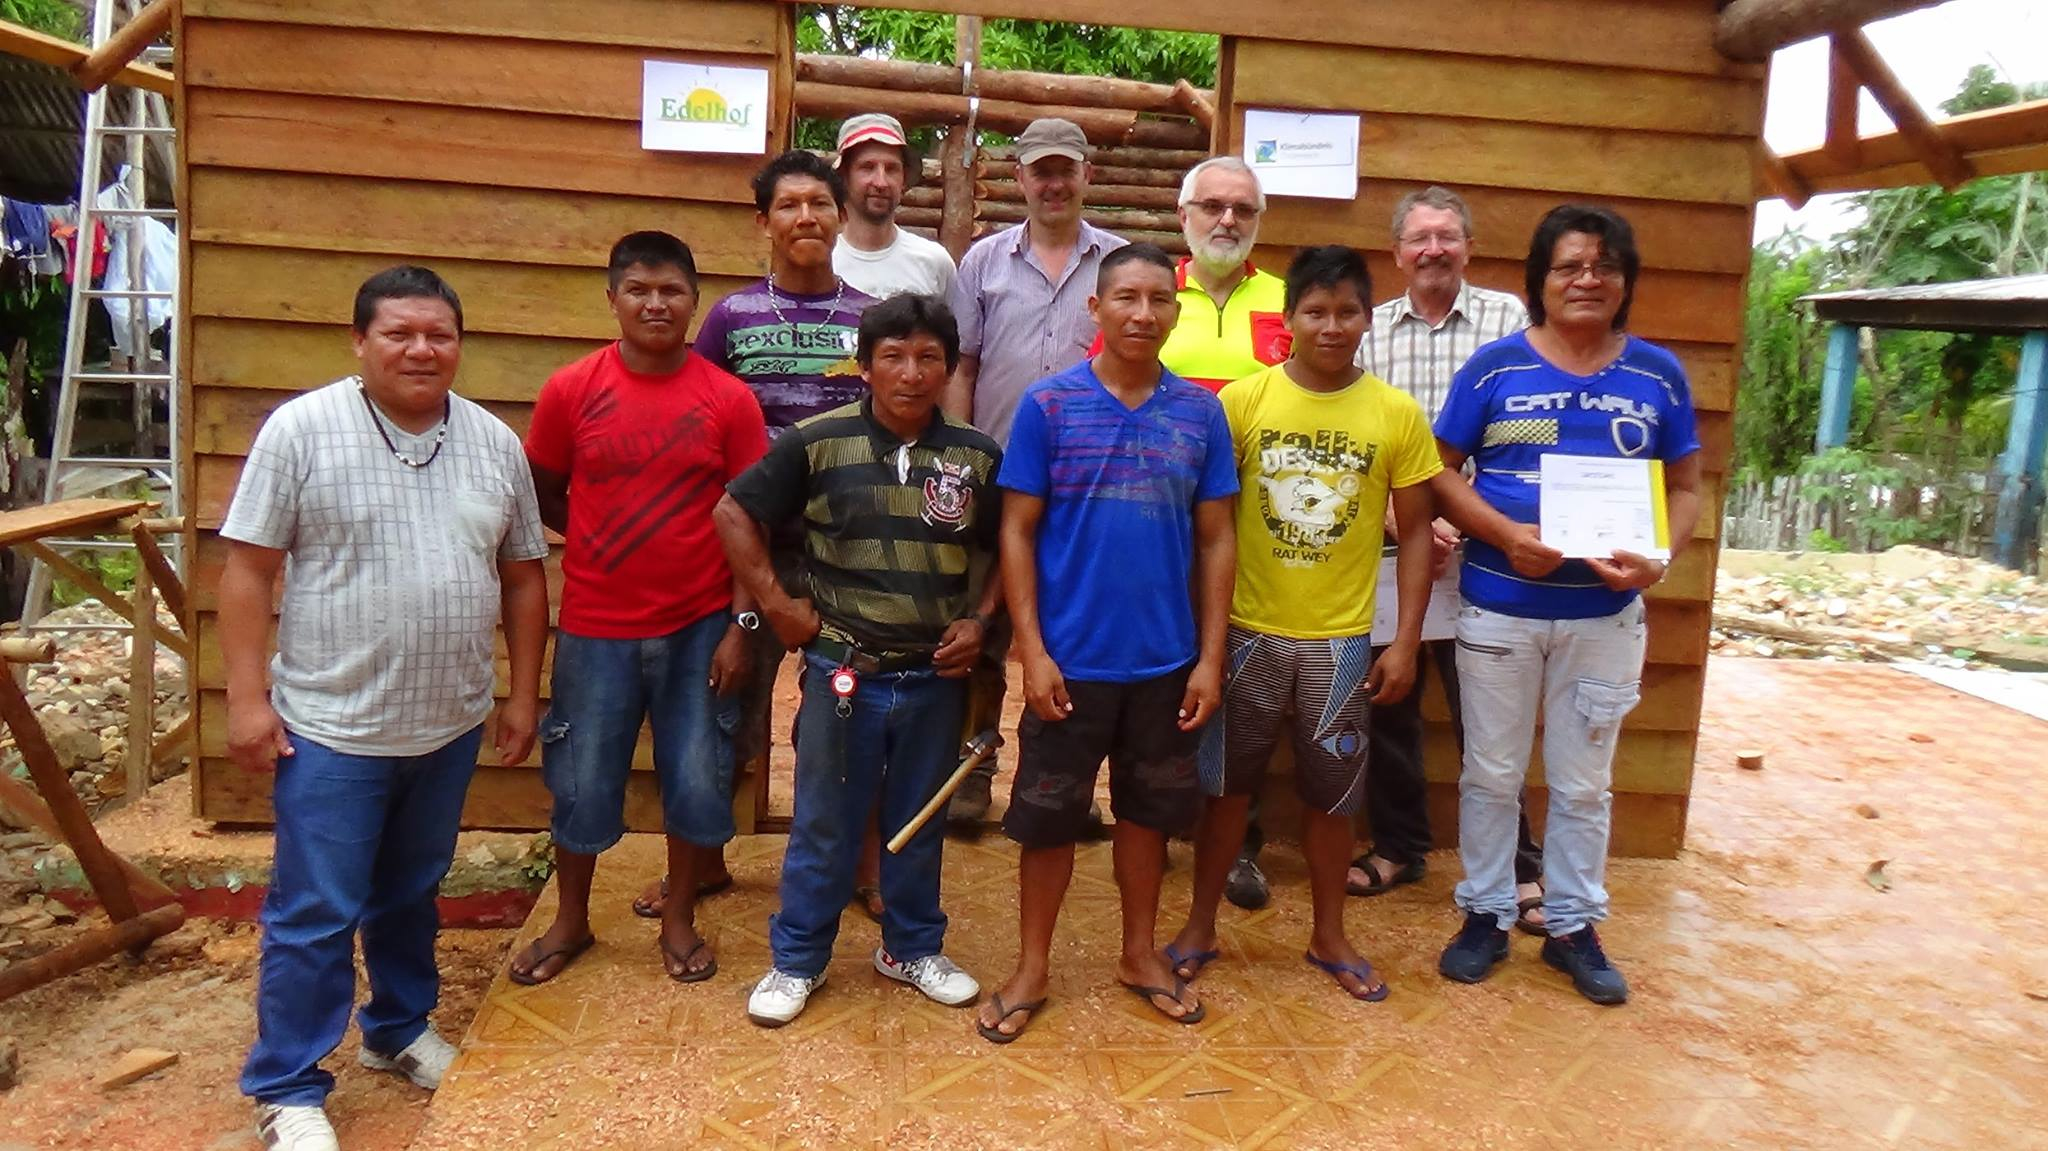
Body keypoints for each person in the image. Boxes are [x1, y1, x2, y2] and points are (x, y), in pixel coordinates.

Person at [223, 266, 549, 1151]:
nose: (421, 349)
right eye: (400, 333)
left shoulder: (491, 441)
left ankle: (399, 1030)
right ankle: (288, 1083)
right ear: (359, 341)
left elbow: (523, 578)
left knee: (411, 889)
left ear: (459, 345)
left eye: (438, 334)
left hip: (445, 721)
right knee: (317, 909)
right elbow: (249, 569)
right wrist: (247, 701)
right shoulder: (301, 429)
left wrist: (520, 693)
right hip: (332, 726)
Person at [1432, 204, 1702, 1005]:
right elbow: (1437, 471)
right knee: (1491, 771)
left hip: (1605, 619)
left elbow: (1684, 487)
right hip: (1498, 607)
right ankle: (1484, 912)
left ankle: (1574, 925)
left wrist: (1658, 557)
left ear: (1626, 282)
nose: (1588, 279)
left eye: (1605, 266)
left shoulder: (1657, 375)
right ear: (1539, 281)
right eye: (1570, 266)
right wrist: (1503, 533)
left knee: (1585, 783)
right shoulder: (1493, 368)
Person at [975, 244, 1237, 1043]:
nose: (1142, 313)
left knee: (1148, 816)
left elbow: (1219, 539)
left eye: (1160, 299)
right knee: (1047, 818)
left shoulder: (1200, 413)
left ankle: (1137, 953)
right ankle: (1032, 966)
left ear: (1176, 312)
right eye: (1126, 296)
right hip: (1071, 663)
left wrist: (1211, 657)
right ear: (1096, 307)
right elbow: (1016, 532)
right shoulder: (1049, 406)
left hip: (1164, 662)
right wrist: (1033, 649)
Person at [1165, 246, 1439, 1002]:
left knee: (1334, 799)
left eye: (1347, 311)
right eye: (1314, 311)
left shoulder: (1394, 413)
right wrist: (1204, 644)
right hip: (1246, 633)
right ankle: (1198, 926)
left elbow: (1415, 531)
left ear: (1367, 318)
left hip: (1342, 643)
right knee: (1224, 793)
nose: (1330, 325)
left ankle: (1329, 935)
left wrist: (1405, 640)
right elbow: (1210, 528)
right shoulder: (1242, 404)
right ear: (1286, 321)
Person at [723, 294, 1004, 1026]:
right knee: (826, 820)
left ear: (947, 367)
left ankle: (909, 948)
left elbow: (1009, 546)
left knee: (918, 819)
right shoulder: (818, 440)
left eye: (928, 357)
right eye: (893, 356)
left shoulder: (974, 454)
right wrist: (778, 606)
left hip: (934, 677)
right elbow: (733, 512)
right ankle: (798, 959)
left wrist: (980, 618)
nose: (911, 373)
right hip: (844, 671)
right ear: (865, 365)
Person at [510, 232, 768, 987]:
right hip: (596, 626)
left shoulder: (727, 397)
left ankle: (682, 915)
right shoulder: (571, 389)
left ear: (695, 300)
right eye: (639, 289)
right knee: (583, 780)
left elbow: (748, 518)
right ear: (613, 297)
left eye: (672, 291)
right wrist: (601, 537)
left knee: (696, 773)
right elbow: (547, 485)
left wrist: (740, 623)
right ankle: (571, 920)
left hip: (699, 628)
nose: (656, 303)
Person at [633, 151, 880, 922]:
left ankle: (865, 869)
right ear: (764, 221)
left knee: (851, 710)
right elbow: (697, 406)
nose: (806, 218)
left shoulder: (872, 319)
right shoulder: (732, 318)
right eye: (789, 205)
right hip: (744, 551)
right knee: (725, 704)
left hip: (845, 549)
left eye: (820, 204)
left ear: (842, 217)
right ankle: (703, 862)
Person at [1351, 186, 1550, 932]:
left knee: (1488, 717)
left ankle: (1517, 867)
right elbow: (1363, 441)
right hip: (1392, 547)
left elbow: (1529, 431)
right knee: (1390, 704)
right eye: (1418, 238)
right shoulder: (1368, 333)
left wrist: (1463, 521)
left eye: (1446, 236)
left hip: (1490, 551)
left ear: (1468, 245)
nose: (1433, 249)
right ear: (1397, 252)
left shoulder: (1509, 324)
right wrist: (1410, 522)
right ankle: (1401, 844)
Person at [943, 116, 1127, 826]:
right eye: (1039, 170)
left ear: (1087, 176)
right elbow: (965, 362)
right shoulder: (983, 262)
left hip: (1089, 479)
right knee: (981, 628)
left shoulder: (1117, 262)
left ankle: (1066, 783)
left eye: (1066, 169)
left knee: (1074, 631)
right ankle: (971, 768)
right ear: (1018, 178)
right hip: (997, 468)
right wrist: (963, 451)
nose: (1053, 182)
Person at [832, 113, 956, 300]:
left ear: (904, 179)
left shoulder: (934, 261)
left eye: (891, 169)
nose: (881, 182)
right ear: (843, 176)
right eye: (867, 167)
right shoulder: (822, 260)